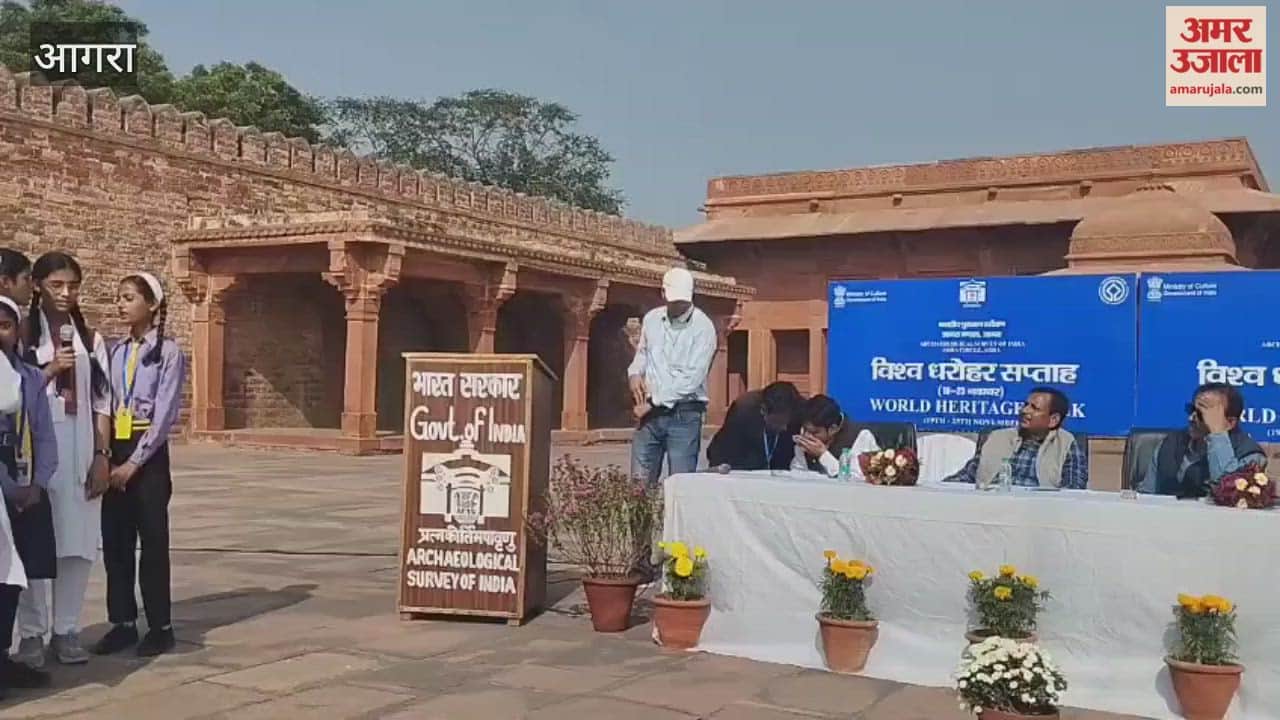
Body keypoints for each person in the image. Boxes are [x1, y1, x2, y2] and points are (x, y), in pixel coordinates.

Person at [15, 252, 111, 668]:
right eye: (57, 285)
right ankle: (33, 632)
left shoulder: (91, 339)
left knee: (77, 546)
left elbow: (102, 402)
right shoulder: (21, 337)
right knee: (36, 546)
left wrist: (102, 456)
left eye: (73, 285)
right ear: (37, 286)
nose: (66, 293)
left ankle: (67, 628)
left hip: (80, 451)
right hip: (36, 453)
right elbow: (13, 391)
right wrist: (51, 369)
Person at [94, 272, 185, 657]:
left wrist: (133, 462)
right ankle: (123, 621)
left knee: (152, 541)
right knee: (116, 541)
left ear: (152, 304)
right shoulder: (116, 351)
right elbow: (107, 403)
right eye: (119, 297)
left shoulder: (168, 353)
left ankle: (160, 626)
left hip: (147, 454)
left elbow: (164, 416)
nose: (121, 304)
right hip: (116, 445)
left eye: (129, 297)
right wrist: (107, 455)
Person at [0, 294, 56, 694]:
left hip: (27, 490)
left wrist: (36, 485)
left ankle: (5, 657)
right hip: (3, 491)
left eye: (5, 325)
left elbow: (43, 434)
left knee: (16, 579)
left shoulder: (31, 377)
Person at [627, 267, 717, 484]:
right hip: (649, 417)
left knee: (680, 485)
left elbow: (692, 378)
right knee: (639, 484)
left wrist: (654, 402)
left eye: (682, 302)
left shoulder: (703, 328)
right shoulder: (652, 319)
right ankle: (643, 520)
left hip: (684, 414)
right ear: (663, 294)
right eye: (674, 301)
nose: (678, 306)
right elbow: (643, 354)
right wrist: (634, 374)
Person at [944, 387, 1088, 489]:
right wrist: (937, 490)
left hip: (1041, 515)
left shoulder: (1067, 444)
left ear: (1053, 420)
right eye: (1025, 405)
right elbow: (967, 476)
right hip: (990, 510)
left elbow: (1073, 491)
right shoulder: (997, 438)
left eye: (1034, 408)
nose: (1024, 411)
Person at [1139, 383, 1266, 498]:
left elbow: (1228, 492)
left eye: (1201, 414)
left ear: (1230, 422)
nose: (1191, 418)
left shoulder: (1250, 456)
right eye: (1191, 410)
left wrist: (1217, 433)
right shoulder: (1169, 444)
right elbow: (1146, 495)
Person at [706, 381, 802, 472]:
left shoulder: (798, 410)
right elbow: (722, 455)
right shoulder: (743, 411)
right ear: (763, 411)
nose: (784, 427)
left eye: (787, 422)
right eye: (778, 422)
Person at [790, 394, 880, 477]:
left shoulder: (861, 436)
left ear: (833, 429)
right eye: (805, 429)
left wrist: (823, 455)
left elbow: (856, 479)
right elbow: (797, 473)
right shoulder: (804, 438)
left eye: (814, 433)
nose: (807, 436)